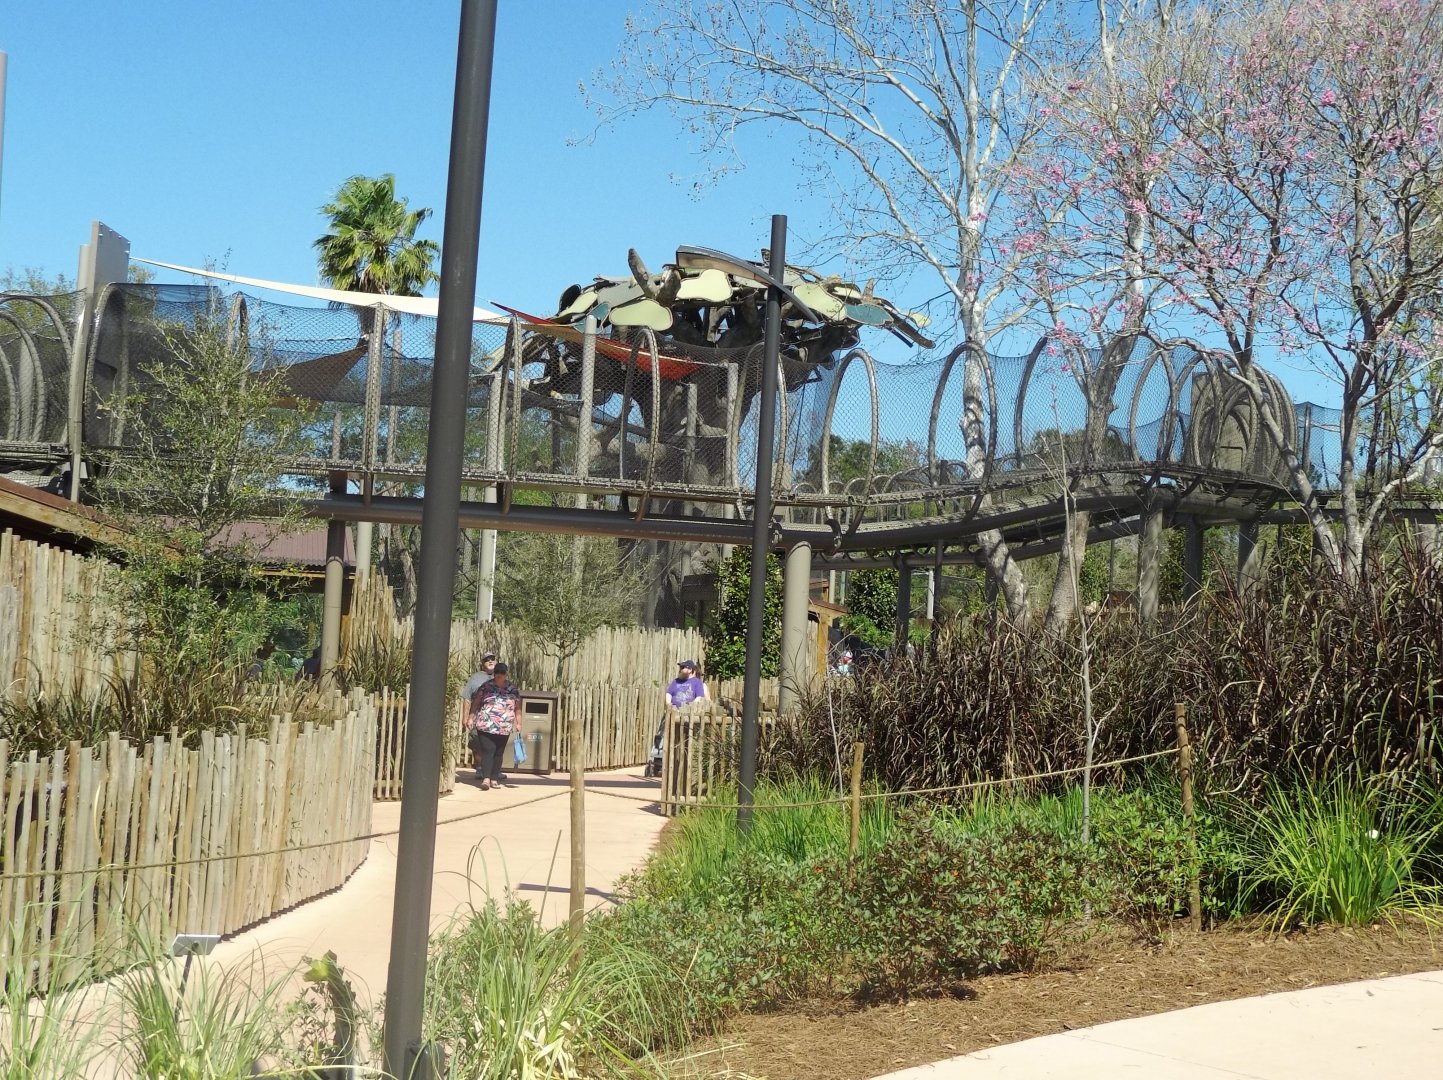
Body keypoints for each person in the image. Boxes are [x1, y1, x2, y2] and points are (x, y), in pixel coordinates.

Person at [469, 662, 519, 790]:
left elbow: (517, 707)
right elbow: (476, 703)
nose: (499, 675)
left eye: (502, 673)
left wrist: (519, 722)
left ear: (506, 674)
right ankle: (486, 778)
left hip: (504, 726)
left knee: (499, 753)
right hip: (486, 724)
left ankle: (494, 778)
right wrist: (470, 717)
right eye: (497, 672)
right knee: (488, 750)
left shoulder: (512, 689)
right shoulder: (486, 687)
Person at [460, 652, 498, 769]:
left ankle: (494, 771)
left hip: (496, 718)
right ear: (482, 663)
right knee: (477, 743)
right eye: (487, 660)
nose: (490, 661)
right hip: (478, 717)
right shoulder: (475, 678)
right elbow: (467, 697)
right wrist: (466, 717)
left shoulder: (500, 676)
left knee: (496, 745)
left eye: (492, 659)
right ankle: (480, 768)